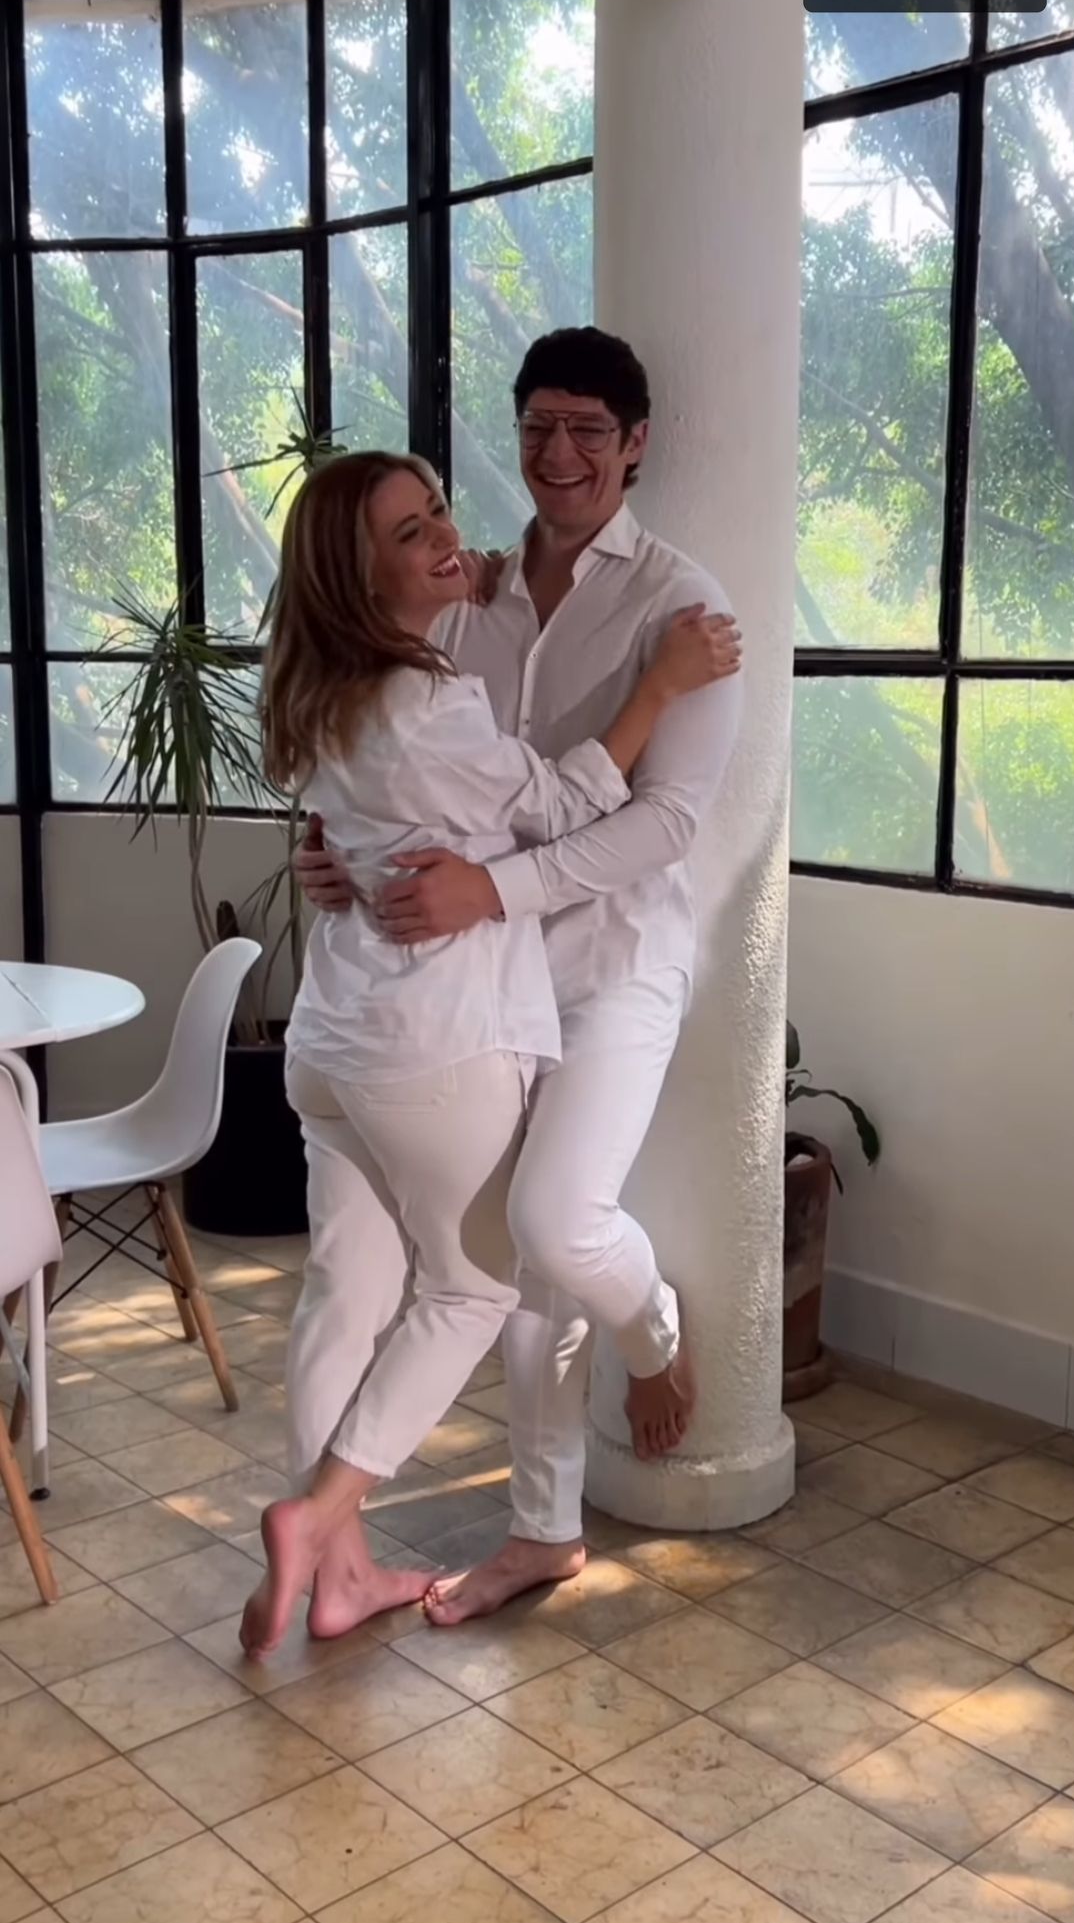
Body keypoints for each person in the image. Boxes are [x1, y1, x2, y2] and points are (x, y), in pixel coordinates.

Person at [240, 447, 740, 1657]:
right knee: (474, 1288)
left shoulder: (314, 682)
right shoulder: (426, 688)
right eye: (410, 533)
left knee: (349, 1292)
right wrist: (659, 688)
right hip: (430, 1036)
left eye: (437, 515)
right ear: (358, 576)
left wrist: (342, 856)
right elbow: (559, 804)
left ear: (635, 443)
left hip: (333, 1036)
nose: (445, 540)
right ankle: (320, 1518)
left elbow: (364, 814)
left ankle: (341, 1579)